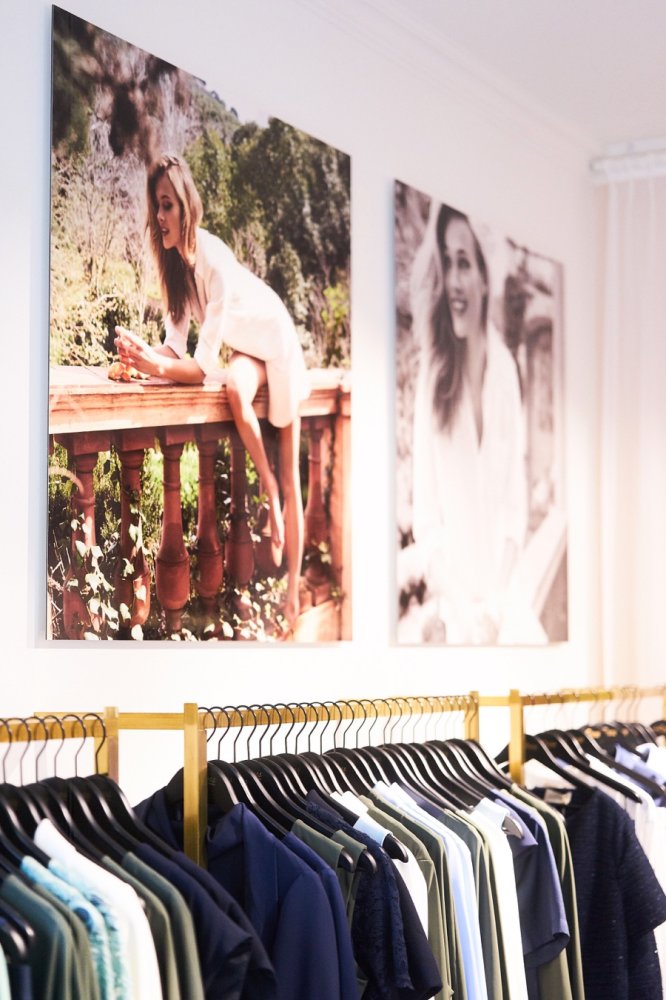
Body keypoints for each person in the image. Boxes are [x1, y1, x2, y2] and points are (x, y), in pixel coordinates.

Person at [115, 153, 309, 631]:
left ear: (186, 207)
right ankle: (268, 488)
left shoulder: (214, 263)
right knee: (236, 392)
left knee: (291, 480)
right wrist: (141, 357)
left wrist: (154, 364)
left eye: (167, 205)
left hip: (276, 341)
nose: (160, 216)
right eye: (156, 206)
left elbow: (199, 370)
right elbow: (175, 349)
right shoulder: (177, 267)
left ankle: (291, 591)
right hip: (248, 350)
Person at [409, 202, 528, 644]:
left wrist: (495, 608)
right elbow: (427, 523)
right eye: (447, 262)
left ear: (484, 275)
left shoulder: (507, 372)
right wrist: (467, 614)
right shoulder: (433, 377)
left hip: (505, 612)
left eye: (464, 262)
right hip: (454, 621)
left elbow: (515, 510)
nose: (454, 281)